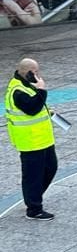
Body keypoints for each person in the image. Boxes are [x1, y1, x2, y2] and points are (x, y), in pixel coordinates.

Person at [5, 58, 57, 220]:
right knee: (33, 175)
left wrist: (47, 111)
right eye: (35, 72)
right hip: (30, 142)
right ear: (27, 72)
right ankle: (34, 209)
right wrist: (42, 90)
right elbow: (32, 108)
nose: (38, 75)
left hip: (43, 139)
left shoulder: (26, 85)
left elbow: (35, 107)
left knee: (51, 168)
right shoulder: (17, 91)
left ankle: (32, 197)